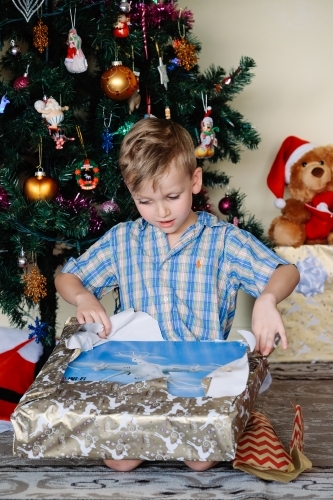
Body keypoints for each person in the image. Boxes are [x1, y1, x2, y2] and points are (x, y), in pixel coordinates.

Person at [55, 117, 300, 472]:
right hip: (135, 377)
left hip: (199, 378)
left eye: (173, 196)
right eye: (146, 201)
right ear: (131, 191)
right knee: (119, 462)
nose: (163, 211)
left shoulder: (222, 241)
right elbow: (68, 278)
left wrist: (266, 299)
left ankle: (232, 420)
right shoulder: (123, 240)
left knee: (200, 461)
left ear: (195, 181)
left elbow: (286, 271)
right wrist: (83, 297)